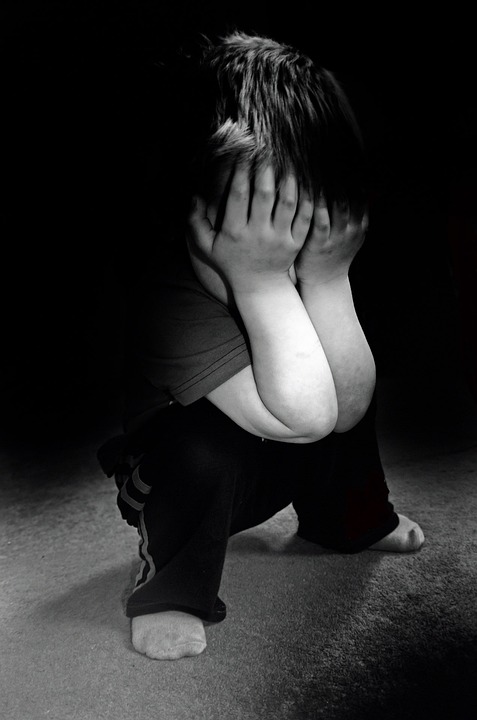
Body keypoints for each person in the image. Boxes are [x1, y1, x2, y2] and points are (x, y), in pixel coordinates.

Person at [98, 31, 424, 661]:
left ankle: (350, 519)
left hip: (283, 439)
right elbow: (305, 418)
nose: (290, 236)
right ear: (201, 206)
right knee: (202, 448)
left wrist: (328, 279)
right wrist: (259, 281)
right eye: (267, 208)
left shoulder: (304, 262)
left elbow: (341, 407)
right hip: (181, 481)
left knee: (344, 371)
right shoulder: (167, 294)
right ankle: (170, 589)